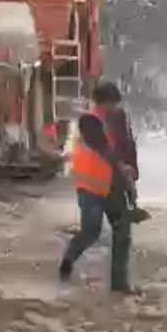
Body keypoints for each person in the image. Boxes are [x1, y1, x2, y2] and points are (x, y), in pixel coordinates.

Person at [59, 82, 138, 294]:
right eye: (112, 104)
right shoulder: (88, 121)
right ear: (102, 103)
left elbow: (128, 147)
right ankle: (68, 259)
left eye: (117, 104)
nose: (116, 108)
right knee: (91, 231)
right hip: (90, 188)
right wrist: (122, 168)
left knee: (123, 234)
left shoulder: (120, 120)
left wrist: (132, 178)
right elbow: (103, 148)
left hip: (113, 187)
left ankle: (119, 285)